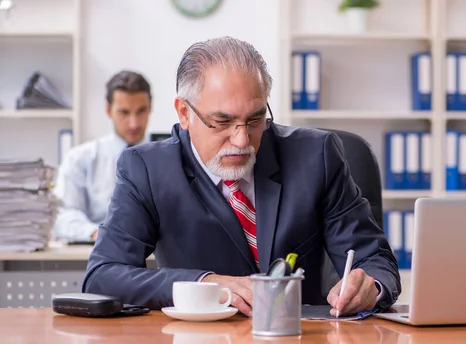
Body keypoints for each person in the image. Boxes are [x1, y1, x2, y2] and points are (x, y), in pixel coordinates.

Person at [83, 37, 401, 317]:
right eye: (222, 121)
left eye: (255, 118)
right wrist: (206, 284)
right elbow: (103, 275)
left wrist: (370, 286)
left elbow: (375, 261)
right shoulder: (147, 168)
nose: (242, 140)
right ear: (184, 113)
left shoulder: (317, 154)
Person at [53, 70, 152, 242]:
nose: (134, 123)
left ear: (150, 108)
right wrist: (99, 234)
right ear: (108, 110)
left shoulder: (167, 158)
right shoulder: (80, 159)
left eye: (141, 111)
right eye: (124, 112)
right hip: (98, 253)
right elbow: (64, 215)